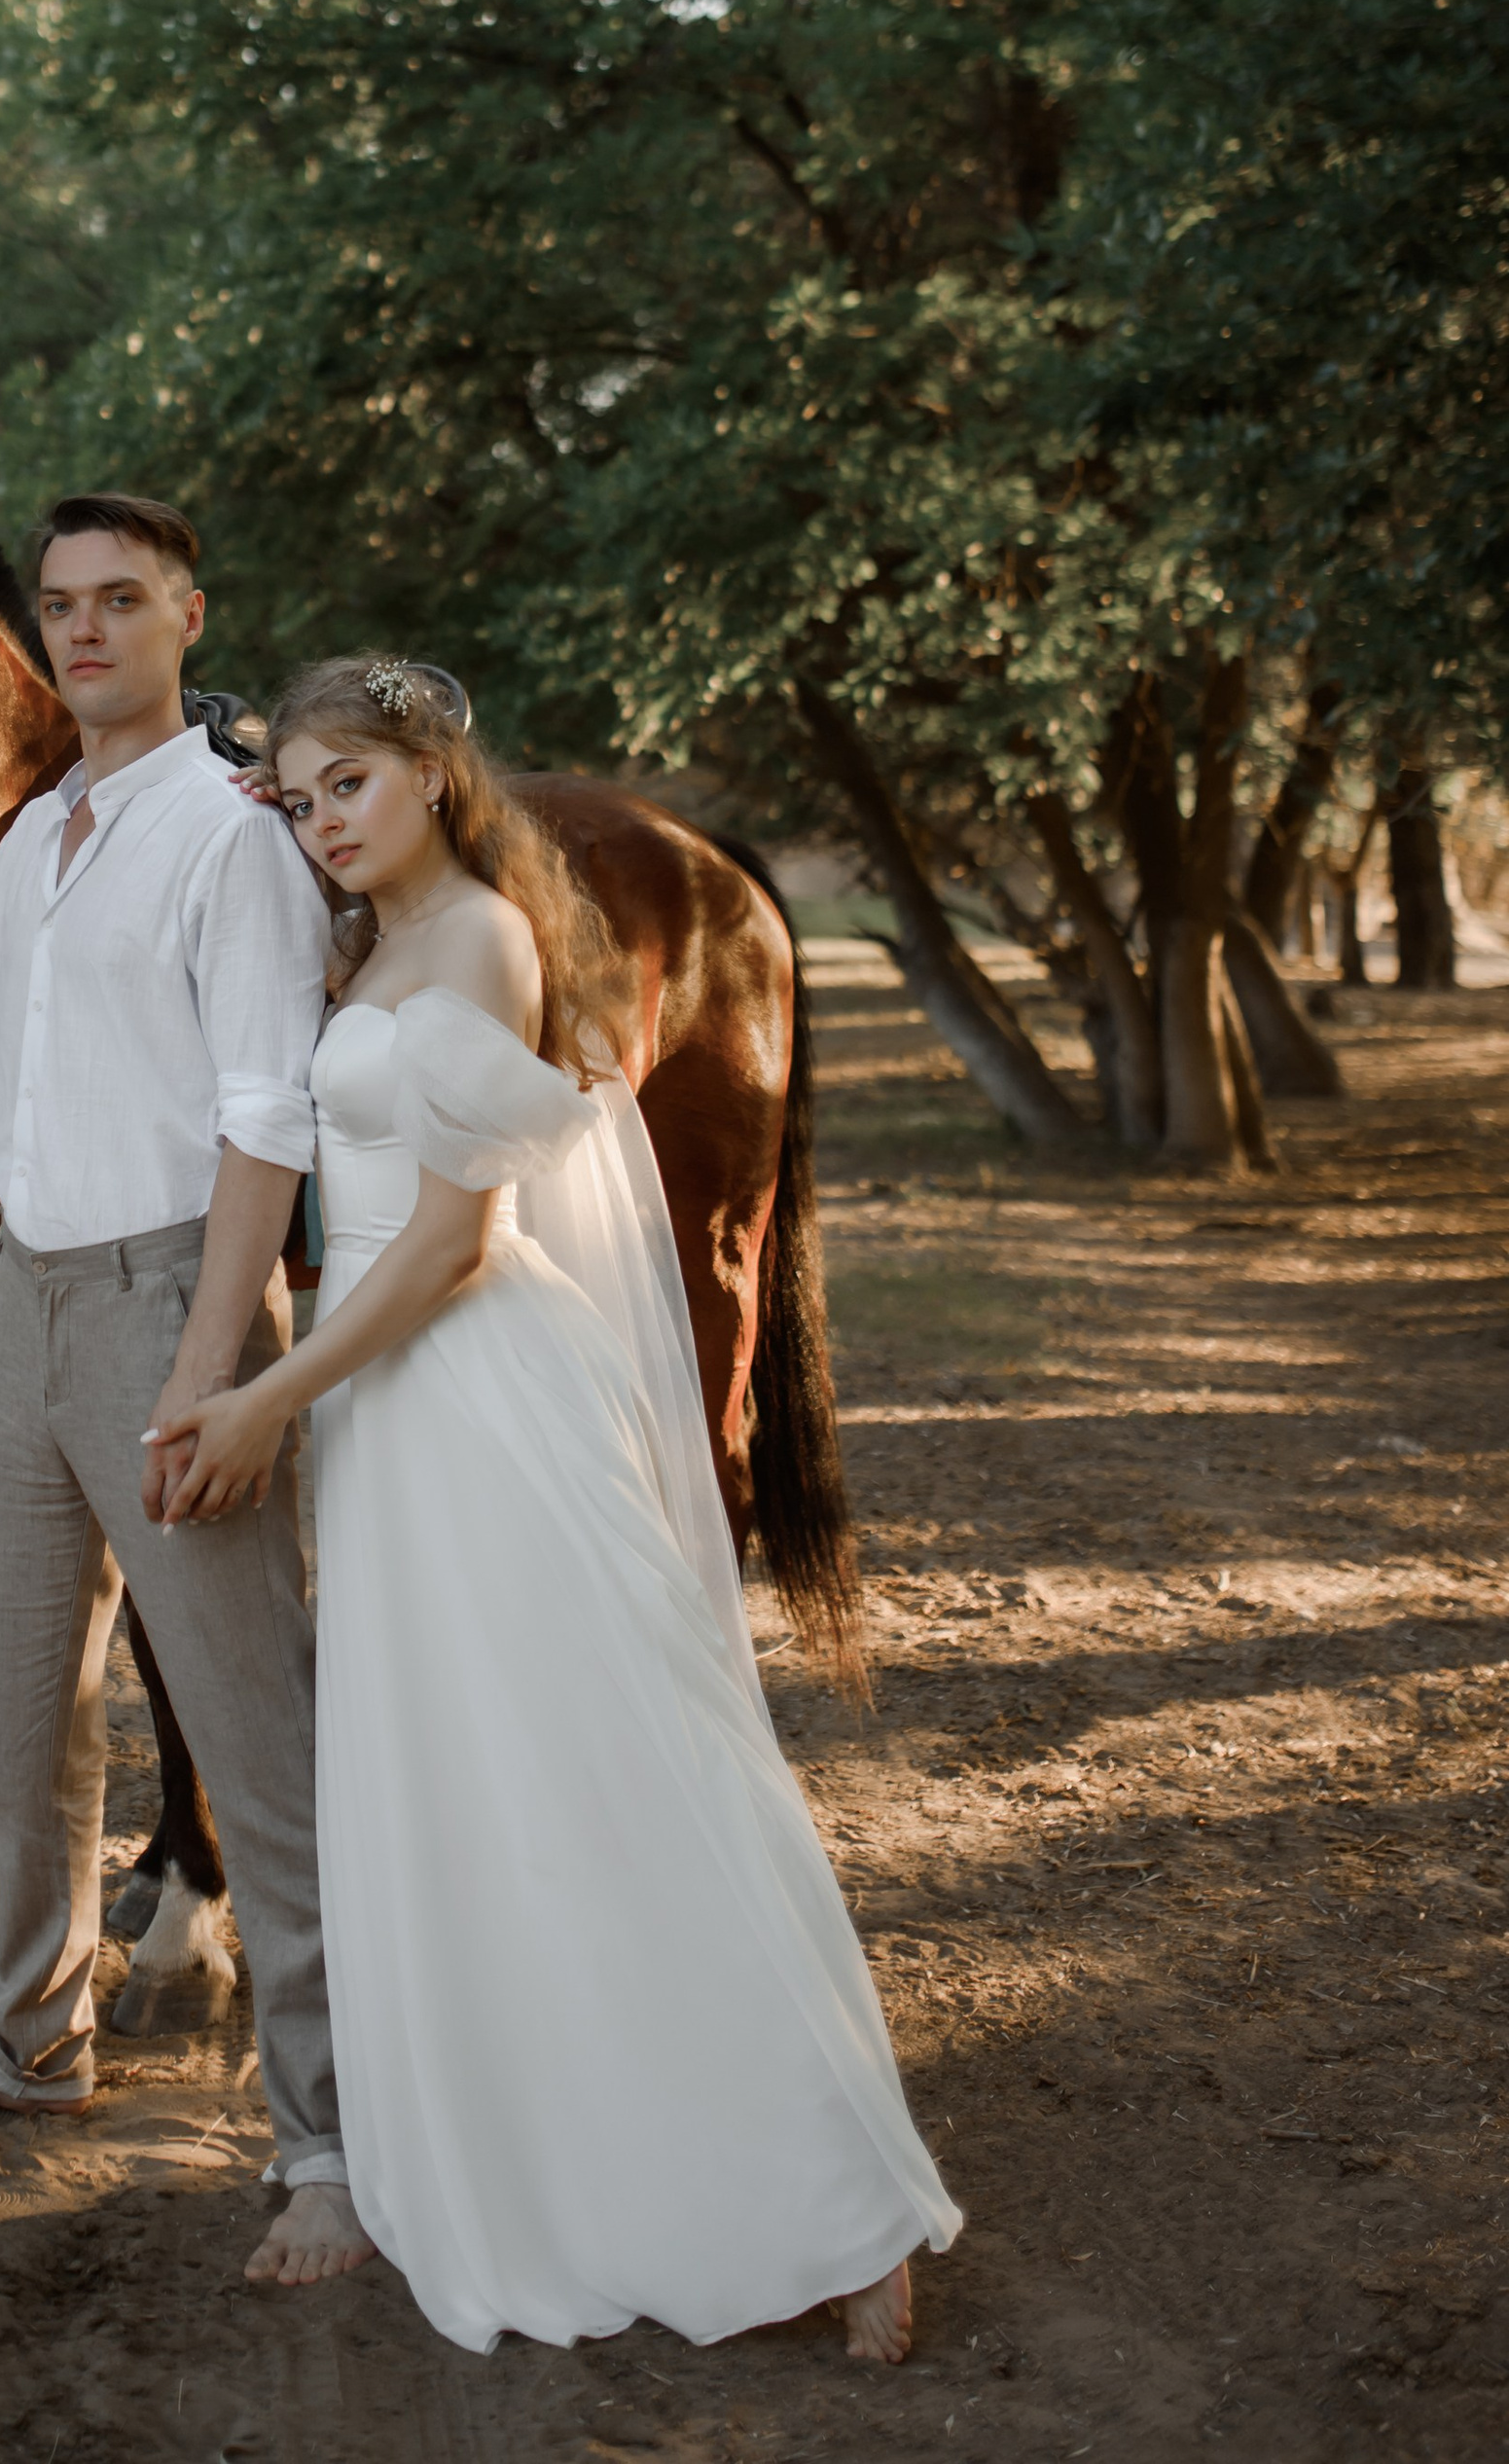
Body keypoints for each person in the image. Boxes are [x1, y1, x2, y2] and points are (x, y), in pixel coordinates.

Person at [149, 653, 962, 2360]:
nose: (321, 826)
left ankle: (844, 2208)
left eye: (348, 788)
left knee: (621, 1772)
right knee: (470, 1785)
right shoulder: (364, 943)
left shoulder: (491, 943)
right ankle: (538, 2149)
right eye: (296, 802)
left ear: (437, 775)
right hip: (390, 1417)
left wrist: (264, 1398)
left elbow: (456, 1246)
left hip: (474, 1385)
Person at [0, 495, 374, 2289]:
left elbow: (269, 1114)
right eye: (61, 606)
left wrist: (213, 1371)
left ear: (192, 617)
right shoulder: (44, 833)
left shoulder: (237, 839)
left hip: (165, 1306)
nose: (86, 632)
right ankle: (33, 2037)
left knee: (257, 1737)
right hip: (23, 1312)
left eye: (124, 601)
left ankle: (333, 2140)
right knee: (23, 1707)